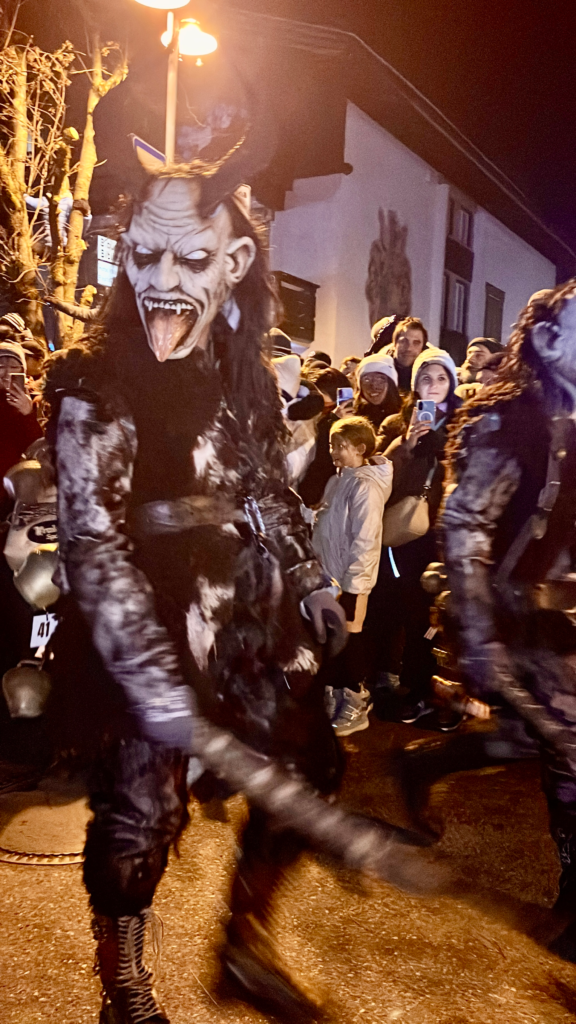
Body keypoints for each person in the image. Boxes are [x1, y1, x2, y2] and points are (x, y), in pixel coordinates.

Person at [43, 166, 363, 1023]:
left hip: (244, 616)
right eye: (146, 254)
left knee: (309, 765)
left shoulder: (238, 373)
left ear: (235, 263)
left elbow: (267, 490)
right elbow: (91, 542)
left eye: (190, 258)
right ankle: (125, 988)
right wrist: (154, 681)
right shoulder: (92, 380)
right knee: (140, 813)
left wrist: (310, 582)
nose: (163, 280)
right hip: (143, 618)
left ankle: (245, 947)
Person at [395, 282, 576, 961]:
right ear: (548, 340)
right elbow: (466, 530)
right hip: (514, 616)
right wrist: (476, 637)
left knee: (532, 741)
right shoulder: (507, 421)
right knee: (569, 747)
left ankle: (427, 766)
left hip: (564, 616)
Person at [366, 347, 460, 725]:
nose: (433, 385)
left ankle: (423, 687)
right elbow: (377, 476)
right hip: (401, 533)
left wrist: (447, 451)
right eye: (425, 378)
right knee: (393, 605)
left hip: (440, 535)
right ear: (415, 384)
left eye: (441, 378)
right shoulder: (396, 423)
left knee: (429, 615)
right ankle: (388, 680)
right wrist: (405, 445)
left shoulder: (464, 425)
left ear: (451, 383)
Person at [312, 416, 393, 736]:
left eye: (340, 445)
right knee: (332, 638)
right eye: (331, 444)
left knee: (349, 638)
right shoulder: (338, 480)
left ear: (360, 448)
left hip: (349, 580)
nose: (333, 451)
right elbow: (325, 522)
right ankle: (334, 692)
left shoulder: (365, 486)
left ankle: (356, 700)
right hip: (328, 576)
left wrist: (354, 585)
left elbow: (366, 540)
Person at [297, 366, 351, 507]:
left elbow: (325, 461)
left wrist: (336, 422)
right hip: (300, 488)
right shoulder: (301, 415)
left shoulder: (339, 421)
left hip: (325, 494)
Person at [0, 341, 43, 508]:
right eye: (1, 366)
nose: (6, 373)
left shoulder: (36, 401)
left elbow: (39, 449)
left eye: (14, 367)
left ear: (23, 372)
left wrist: (28, 414)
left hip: (19, 488)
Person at [353, 353, 402, 431]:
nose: (373, 386)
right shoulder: (352, 414)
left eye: (380, 379)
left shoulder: (406, 414)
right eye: (367, 380)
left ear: (391, 384)